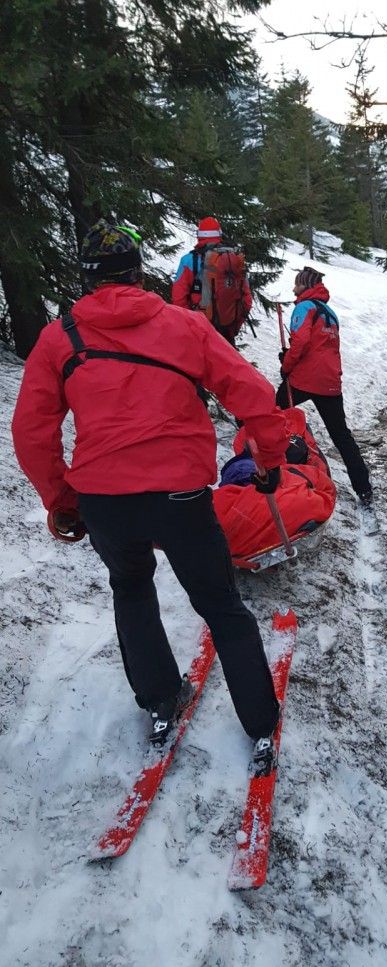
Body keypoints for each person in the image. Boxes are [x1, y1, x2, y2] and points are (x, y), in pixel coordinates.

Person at [12, 219, 288, 773]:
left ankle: (162, 700)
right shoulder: (182, 325)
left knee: (132, 590)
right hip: (180, 495)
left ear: (86, 276)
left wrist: (62, 498)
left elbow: (31, 432)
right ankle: (259, 723)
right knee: (221, 605)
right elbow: (249, 391)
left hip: (105, 501)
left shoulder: (59, 337)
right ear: (138, 271)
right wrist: (270, 456)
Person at [276, 267, 373, 506]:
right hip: (330, 382)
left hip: (304, 379)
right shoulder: (329, 312)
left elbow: (300, 343)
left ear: (305, 286)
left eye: (297, 284)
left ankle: (276, 470)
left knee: (274, 414)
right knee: (342, 436)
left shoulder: (304, 308)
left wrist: (286, 365)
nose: (293, 288)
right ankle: (364, 488)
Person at [171, 216, 252, 343]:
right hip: (226, 334)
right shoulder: (233, 260)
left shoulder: (189, 260)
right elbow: (247, 300)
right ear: (219, 234)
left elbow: (178, 299)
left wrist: (188, 329)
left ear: (199, 235)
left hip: (198, 333)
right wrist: (232, 328)